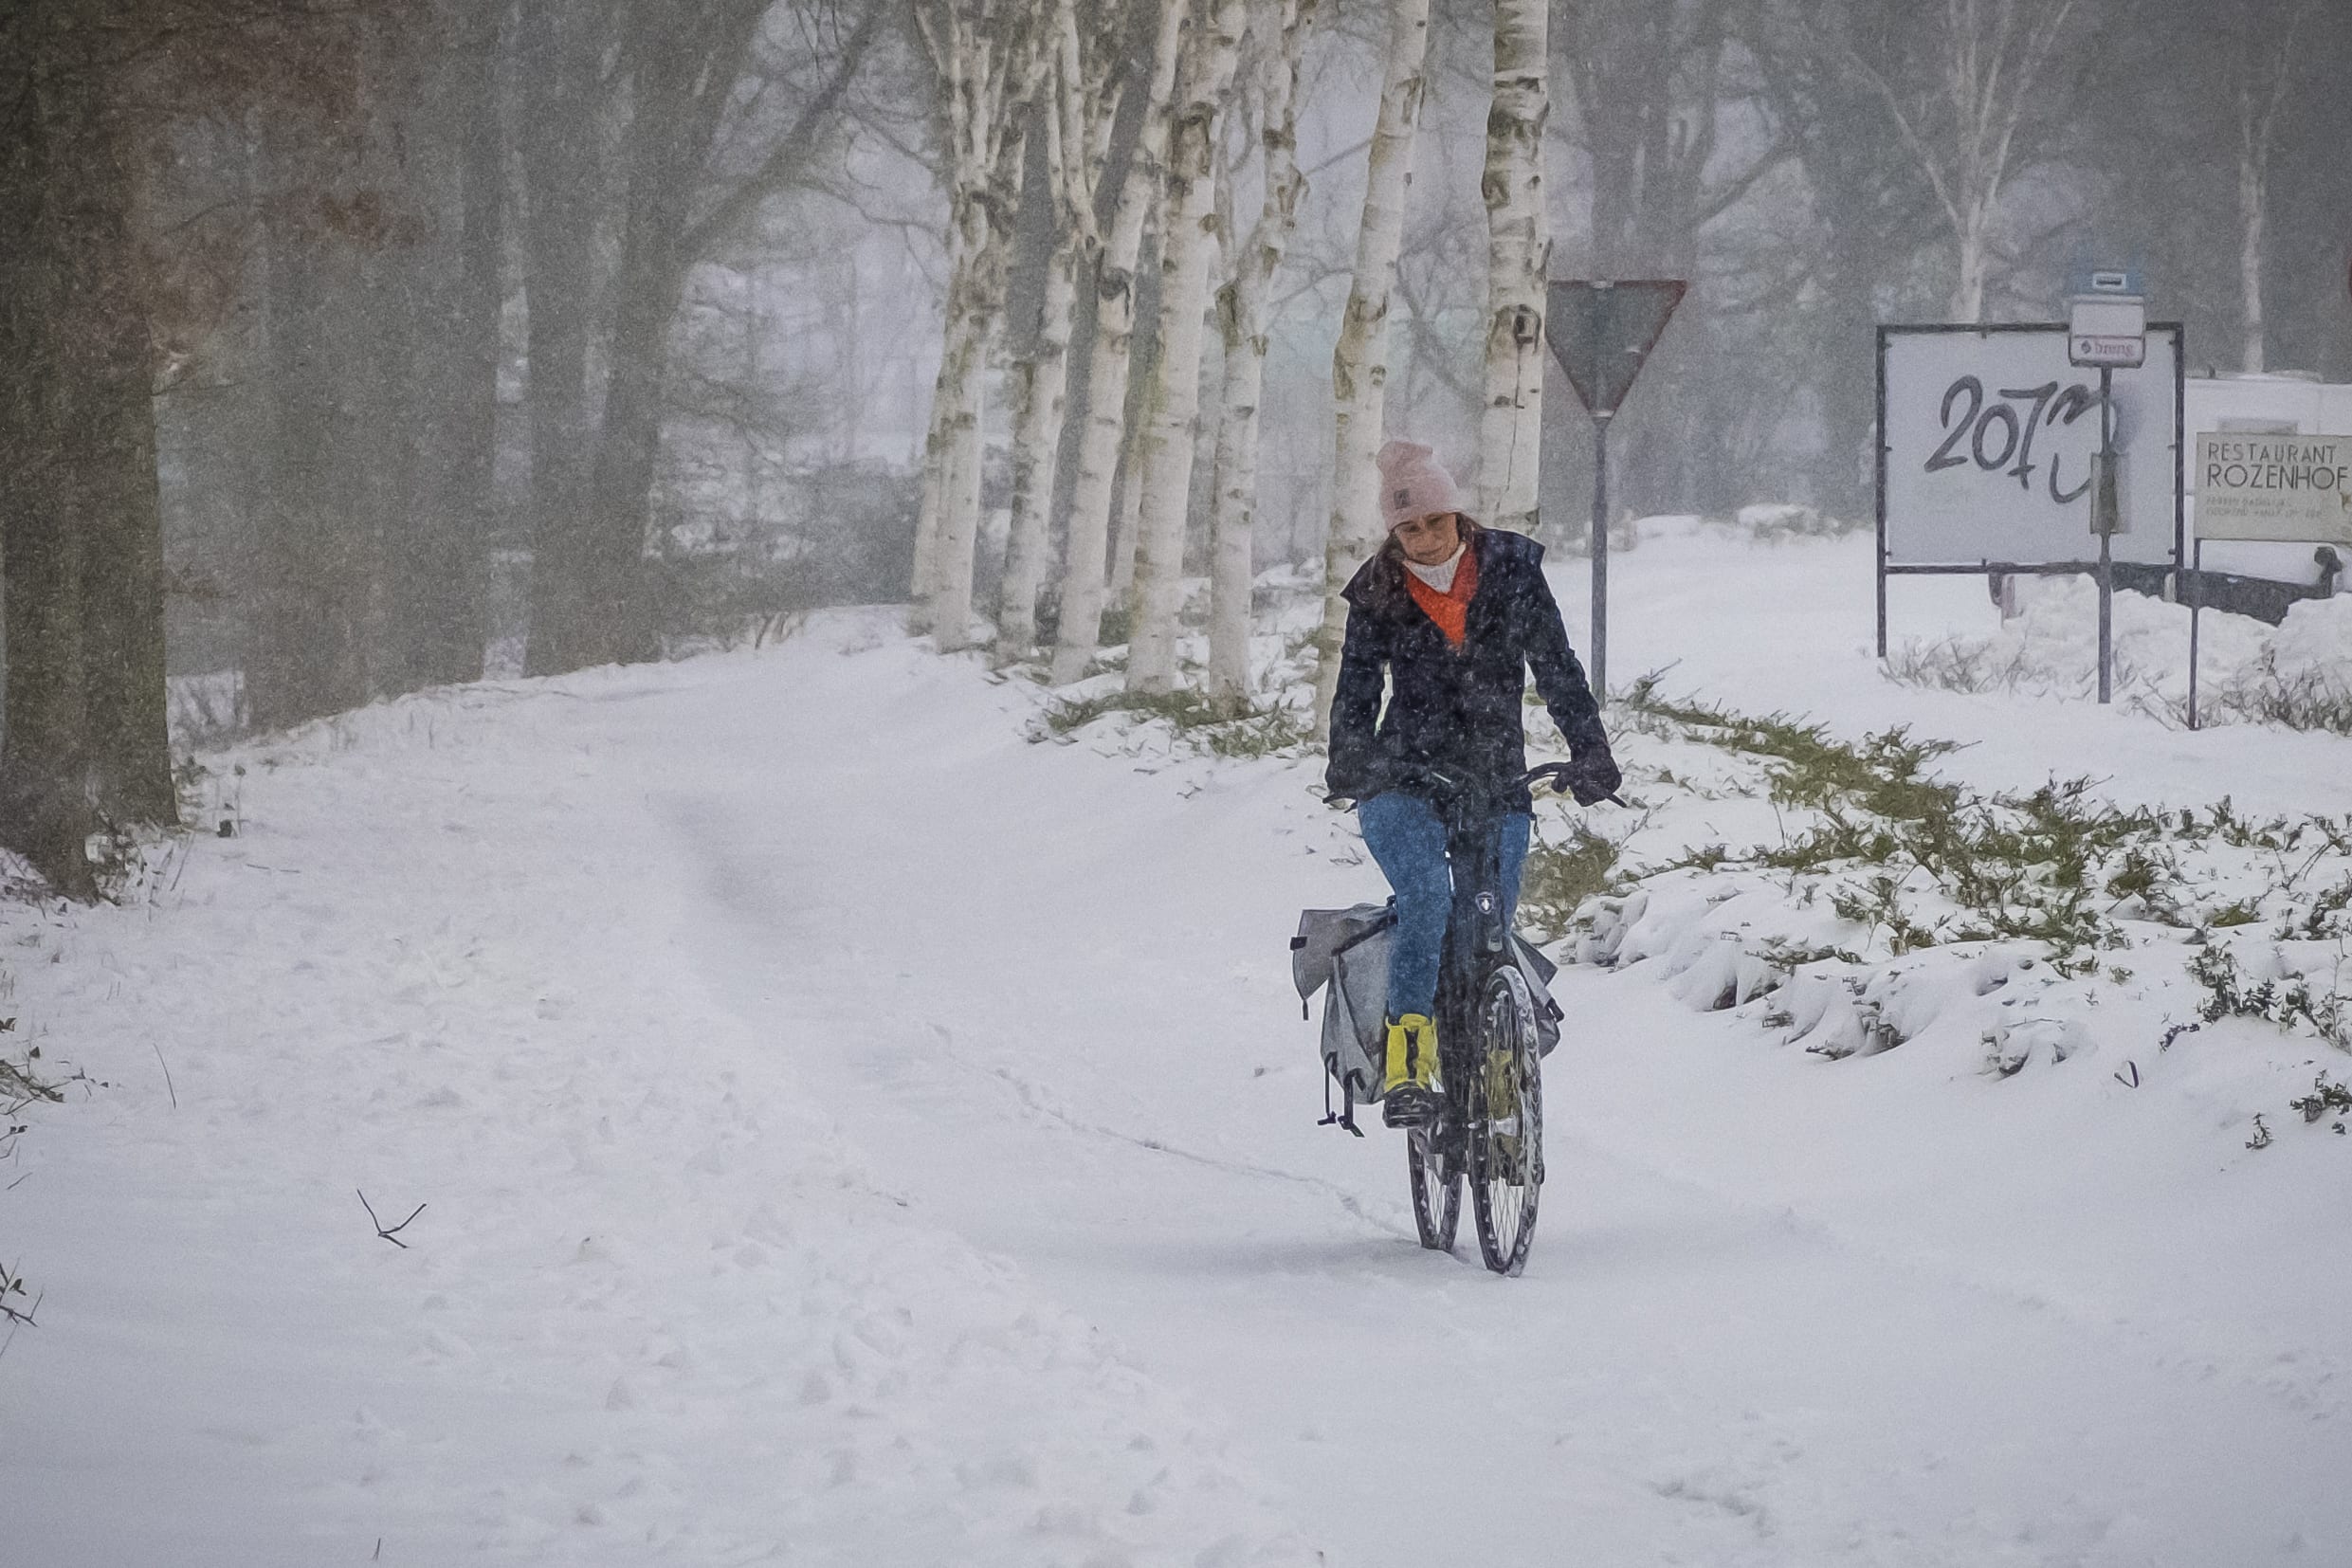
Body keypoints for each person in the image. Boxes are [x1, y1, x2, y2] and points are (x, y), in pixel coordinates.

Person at [1325, 441, 1620, 1127]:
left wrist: (1590, 751)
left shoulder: (1511, 570)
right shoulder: (1377, 590)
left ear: (1456, 514)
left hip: (1495, 774)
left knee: (1488, 921)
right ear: (1392, 534)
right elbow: (1355, 691)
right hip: (1401, 777)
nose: (1424, 540)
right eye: (1408, 529)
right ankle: (1407, 1062)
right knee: (1427, 900)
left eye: (1434, 522)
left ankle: (1491, 1073)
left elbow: (1555, 666)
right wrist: (1351, 763)